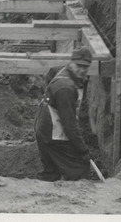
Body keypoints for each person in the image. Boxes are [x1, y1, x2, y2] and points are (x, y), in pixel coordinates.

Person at [34, 46, 93, 181]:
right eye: (79, 65)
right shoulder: (65, 88)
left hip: (43, 127)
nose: (82, 70)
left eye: (85, 67)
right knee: (79, 169)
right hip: (53, 133)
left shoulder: (63, 71)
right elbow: (69, 124)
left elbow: (51, 73)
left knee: (51, 172)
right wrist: (82, 149)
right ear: (71, 62)